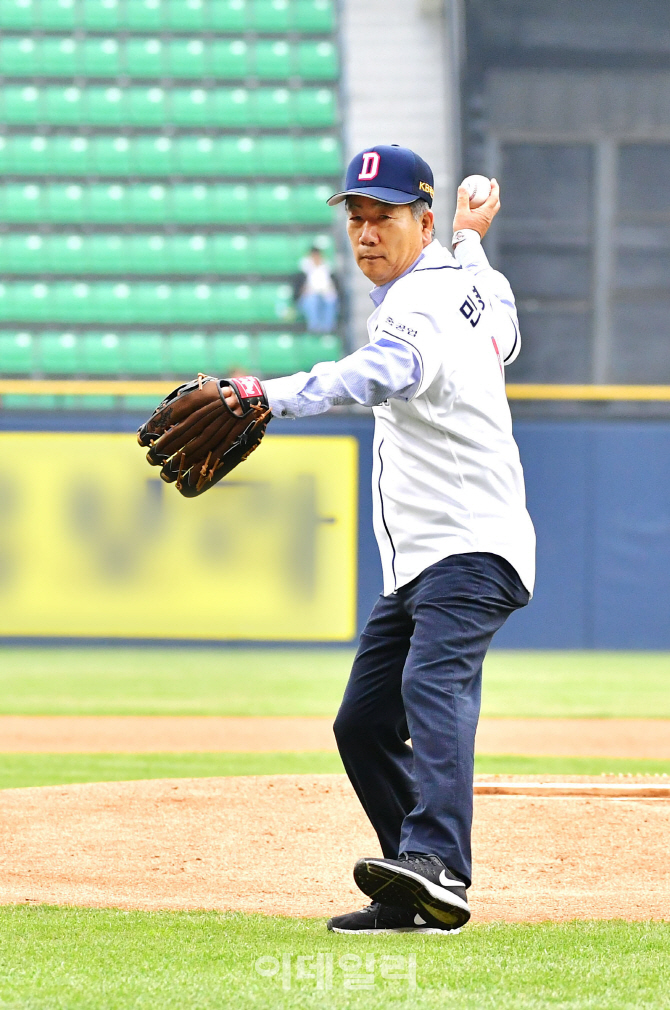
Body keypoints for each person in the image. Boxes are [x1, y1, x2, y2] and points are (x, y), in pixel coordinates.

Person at [222, 144, 535, 935]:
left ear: (418, 221)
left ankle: (440, 867)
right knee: (361, 722)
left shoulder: (415, 309)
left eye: (384, 218)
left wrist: (267, 395)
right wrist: (471, 240)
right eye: (356, 218)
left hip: (471, 548)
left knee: (432, 687)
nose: (364, 234)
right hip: (429, 562)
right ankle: (410, 892)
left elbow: (379, 373)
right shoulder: (457, 284)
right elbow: (503, 326)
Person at [293, 246, 339, 333]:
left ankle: (328, 328)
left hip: (325, 296)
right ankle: (314, 327)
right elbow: (297, 290)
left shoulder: (328, 270)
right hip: (307, 298)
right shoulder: (303, 271)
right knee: (313, 299)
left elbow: (335, 288)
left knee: (331, 300)